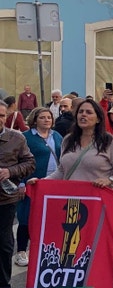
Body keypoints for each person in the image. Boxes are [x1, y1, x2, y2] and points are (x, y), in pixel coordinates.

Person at [35, 98, 113, 288]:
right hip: (71, 207)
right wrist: (42, 182)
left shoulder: (109, 142)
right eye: (80, 112)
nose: (83, 115)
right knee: (70, 255)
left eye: (88, 112)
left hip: (96, 207)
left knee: (90, 255)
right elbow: (61, 171)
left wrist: (109, 179)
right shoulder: (69, 139)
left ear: (98, 118)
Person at [15, 108, 62, 267]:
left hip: (54, 183)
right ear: (35, 120)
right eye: (42, 117)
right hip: (31, 182)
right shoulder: (25, 137)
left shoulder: (56, 136)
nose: (46, 120)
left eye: (49, 117)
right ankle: (21, 251)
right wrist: (21, 183)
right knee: (26, 216)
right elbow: (18, 160)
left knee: (50, 217)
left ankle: (45, 250)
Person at [0, 100, 35, 288]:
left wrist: (9, 171)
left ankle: (3, 285)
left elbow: (30, 163)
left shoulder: (16, 138)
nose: (0, 119)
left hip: (5, 198)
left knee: (3, 241)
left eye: (2, 115)